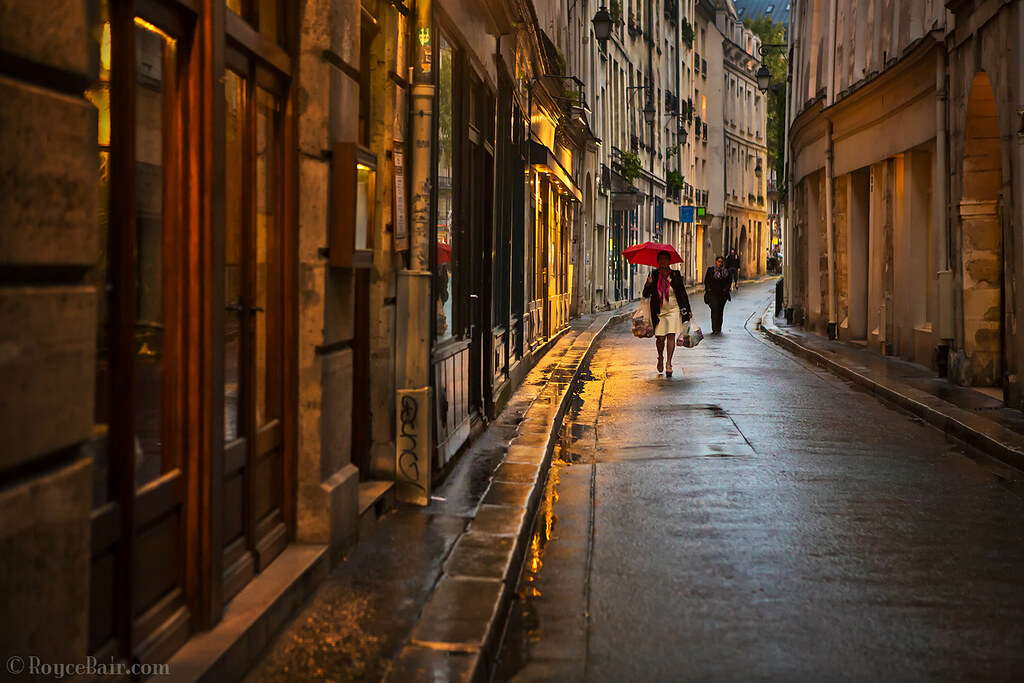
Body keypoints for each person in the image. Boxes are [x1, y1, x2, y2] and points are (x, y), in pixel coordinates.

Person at [642, 251, 692, 377]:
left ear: (669, 261)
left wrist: (688, 309)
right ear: (658, 261)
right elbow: (646, 294)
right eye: (661, 259)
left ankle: (669, 363)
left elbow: (682, 293)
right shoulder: (653, 274)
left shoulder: (675, 275)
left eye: (665, 259)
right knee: (660, 338)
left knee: (670, 336)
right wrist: (648, 284)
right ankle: (660, 357)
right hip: (659, 311)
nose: (663, 261)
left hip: (673, 309)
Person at [703, 255, 732, 334]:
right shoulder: (711, 270)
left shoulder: (725, 272)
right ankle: (714, 327)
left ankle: (719, 327)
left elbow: (729, 281)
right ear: (716, 262)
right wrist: (708, 289)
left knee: (720, 310)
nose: (720, 263)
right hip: (713, 293)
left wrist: (725, 289)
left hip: (722, 294)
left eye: (721, 262)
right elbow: (706, 280)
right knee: (714, 309)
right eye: (718, 261)